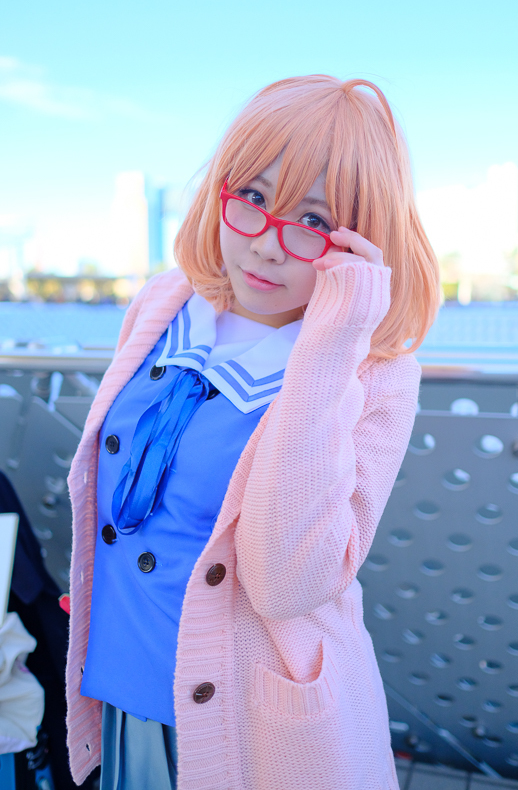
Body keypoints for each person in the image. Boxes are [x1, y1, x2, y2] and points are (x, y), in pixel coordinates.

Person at [65, 75, 439, 790]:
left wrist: (331, 343)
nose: (267, 244)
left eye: (313, 220)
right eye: (254, 198)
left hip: (251, 724)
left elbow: (286, 583)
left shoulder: (376, 375)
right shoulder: (165, 303)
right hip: (124, 688)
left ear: (361, 238)